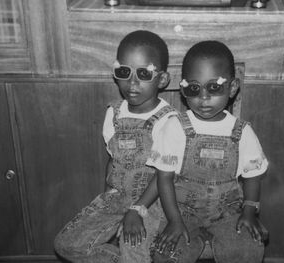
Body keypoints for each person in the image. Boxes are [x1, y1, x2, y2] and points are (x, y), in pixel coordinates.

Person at [54, 30, 177, 263]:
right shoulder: (113, 113)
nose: (132, 82)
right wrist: (106, 198)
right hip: (118, 196)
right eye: (124, 72)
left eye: (144, 73)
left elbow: (164, 175)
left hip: (154, 201)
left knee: (133, 250)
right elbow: (112, 160)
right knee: (66, 244)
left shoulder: (169, 120)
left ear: (162, 79)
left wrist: (137, 209)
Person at [146, 40, 269, 263]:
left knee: (249, 251)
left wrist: (250, 211)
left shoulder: (242, 132)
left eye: (214, 87)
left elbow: (253, 177)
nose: (203, 97)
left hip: (227, 214)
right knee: (165, 255)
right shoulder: (175, 127)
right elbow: (164, 178)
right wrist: (174, 220)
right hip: (182, 212)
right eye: (194, 88)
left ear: (232, 88)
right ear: (184, 90)